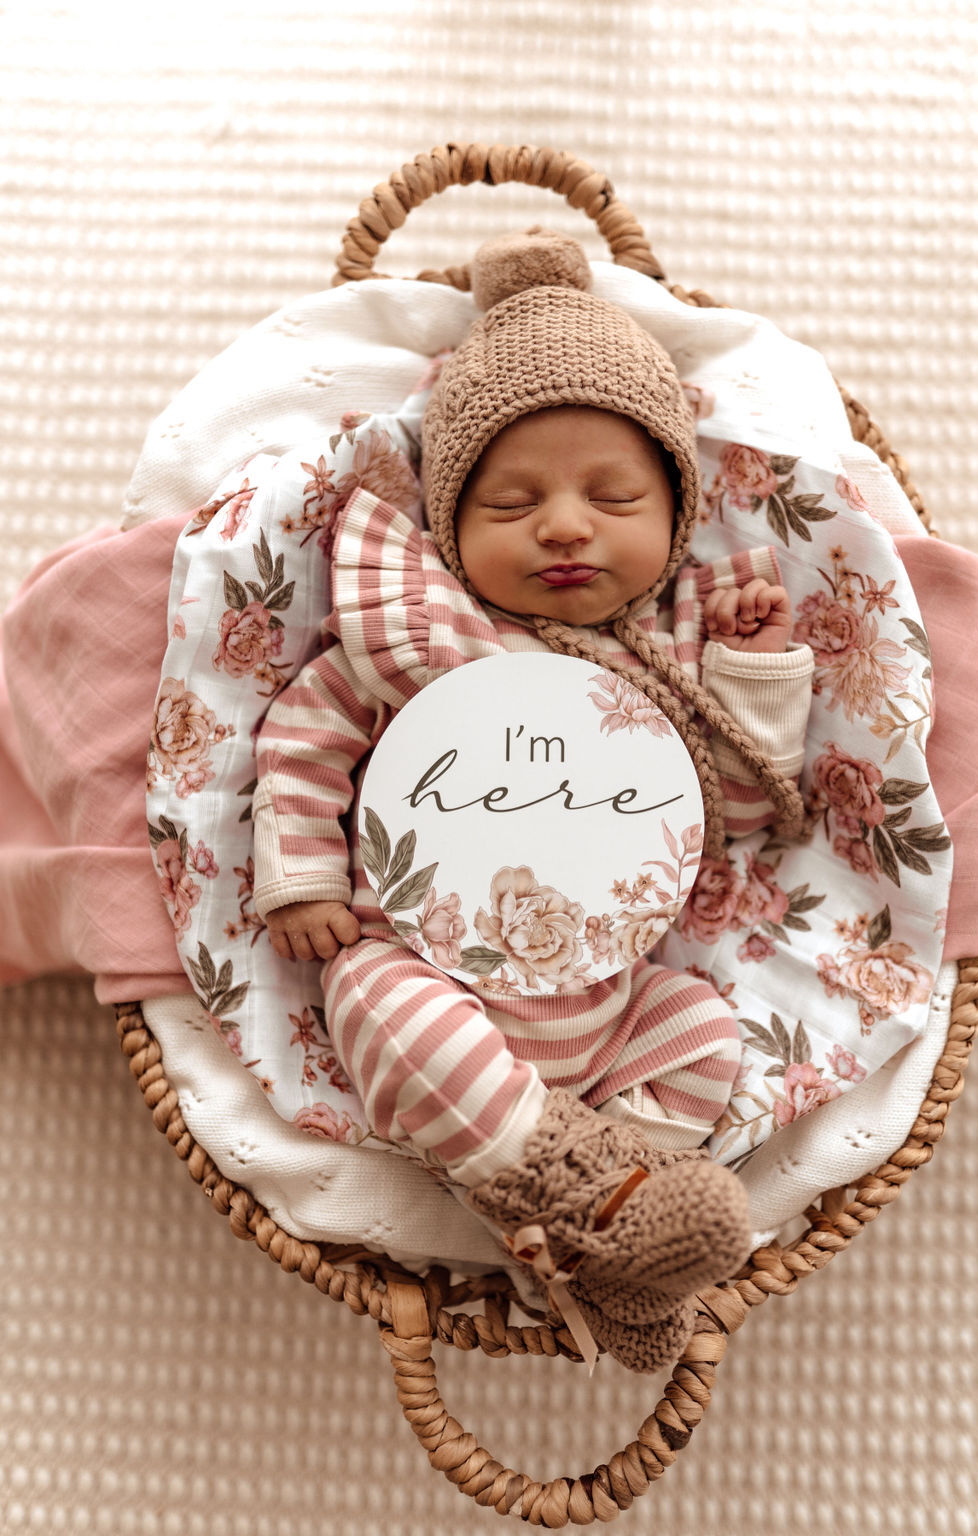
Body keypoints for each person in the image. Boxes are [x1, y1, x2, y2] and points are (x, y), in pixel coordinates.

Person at [251, 229, 814, 1371]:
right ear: (451, 531)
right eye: (511, 502)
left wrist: (754, 680)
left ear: (676, 518)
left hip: (607, 999)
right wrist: (304, 872)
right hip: (434, 972)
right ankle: (596, 1202)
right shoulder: (417, 641)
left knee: (704, 1026)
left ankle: (590, 1227)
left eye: (613, 495)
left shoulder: (666, 657)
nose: (564, 524)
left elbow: (746, 818)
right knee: (365, 985)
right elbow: (305, 735)